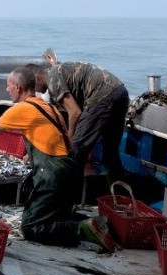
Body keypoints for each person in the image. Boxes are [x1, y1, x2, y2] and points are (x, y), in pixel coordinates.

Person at [0, 67, 115, 253]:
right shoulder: (47, 107)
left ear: (18, 87)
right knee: (55, 216)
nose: (7, 90)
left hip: (55, 176)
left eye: (8, 86)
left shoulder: (22, 110)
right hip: (72, 171)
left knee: (31, 227)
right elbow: (54, 140)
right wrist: (31, 159)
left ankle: (82, 228)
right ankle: (100, 224)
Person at [42, 53, 130, 184]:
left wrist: (69, 140)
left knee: (77, 150)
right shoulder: (58, 71)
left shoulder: (52, 77)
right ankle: (120, 194)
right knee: (110, 154)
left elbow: (75, 112)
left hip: (102, 94)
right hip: (120, 91)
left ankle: (68, 199)